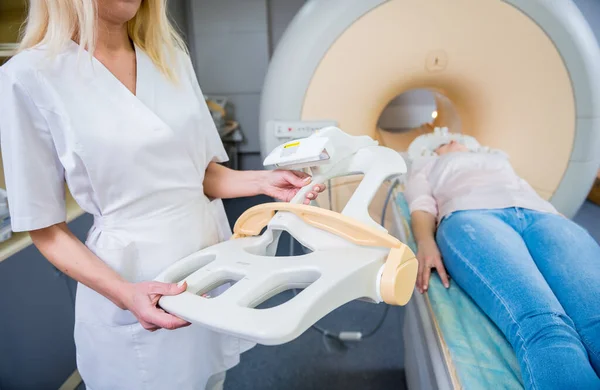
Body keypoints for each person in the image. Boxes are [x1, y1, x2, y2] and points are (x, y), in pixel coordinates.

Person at [0, 1, 325, 389]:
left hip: (208, 263)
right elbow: (44, 228)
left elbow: (200, 175)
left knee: (209, 378)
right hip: (134, 279)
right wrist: (124, 294)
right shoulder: (31, 75)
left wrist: (261, 183)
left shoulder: (168, 57)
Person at [404, 138, 600, 390]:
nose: (452, 139)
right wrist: (425, 241)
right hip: (472, 215)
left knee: (595, 316)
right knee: (545, 324)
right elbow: (420, 204)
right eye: (443, 141)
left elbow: (525, 189)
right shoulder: (427, 164)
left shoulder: (498, 159)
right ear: (433, 150)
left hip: (542, 216)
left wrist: (561, 222)